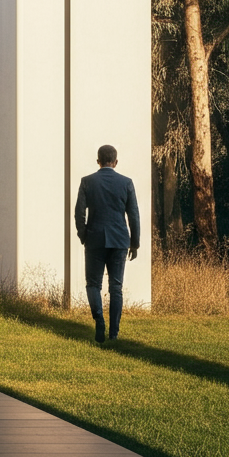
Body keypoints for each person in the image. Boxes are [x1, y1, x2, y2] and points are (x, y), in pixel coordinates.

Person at [74, 144, 139, 344]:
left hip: (95, 239)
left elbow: (79, 213)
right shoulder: (126, 183)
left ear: (98, 161)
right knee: (116, 287)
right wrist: (134, 243)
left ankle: (99, 319)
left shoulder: (87, 182)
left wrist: (84, 235)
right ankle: (114, 333)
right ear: (116, 162)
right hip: (119, 240)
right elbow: (134, 215)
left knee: (93, 284)